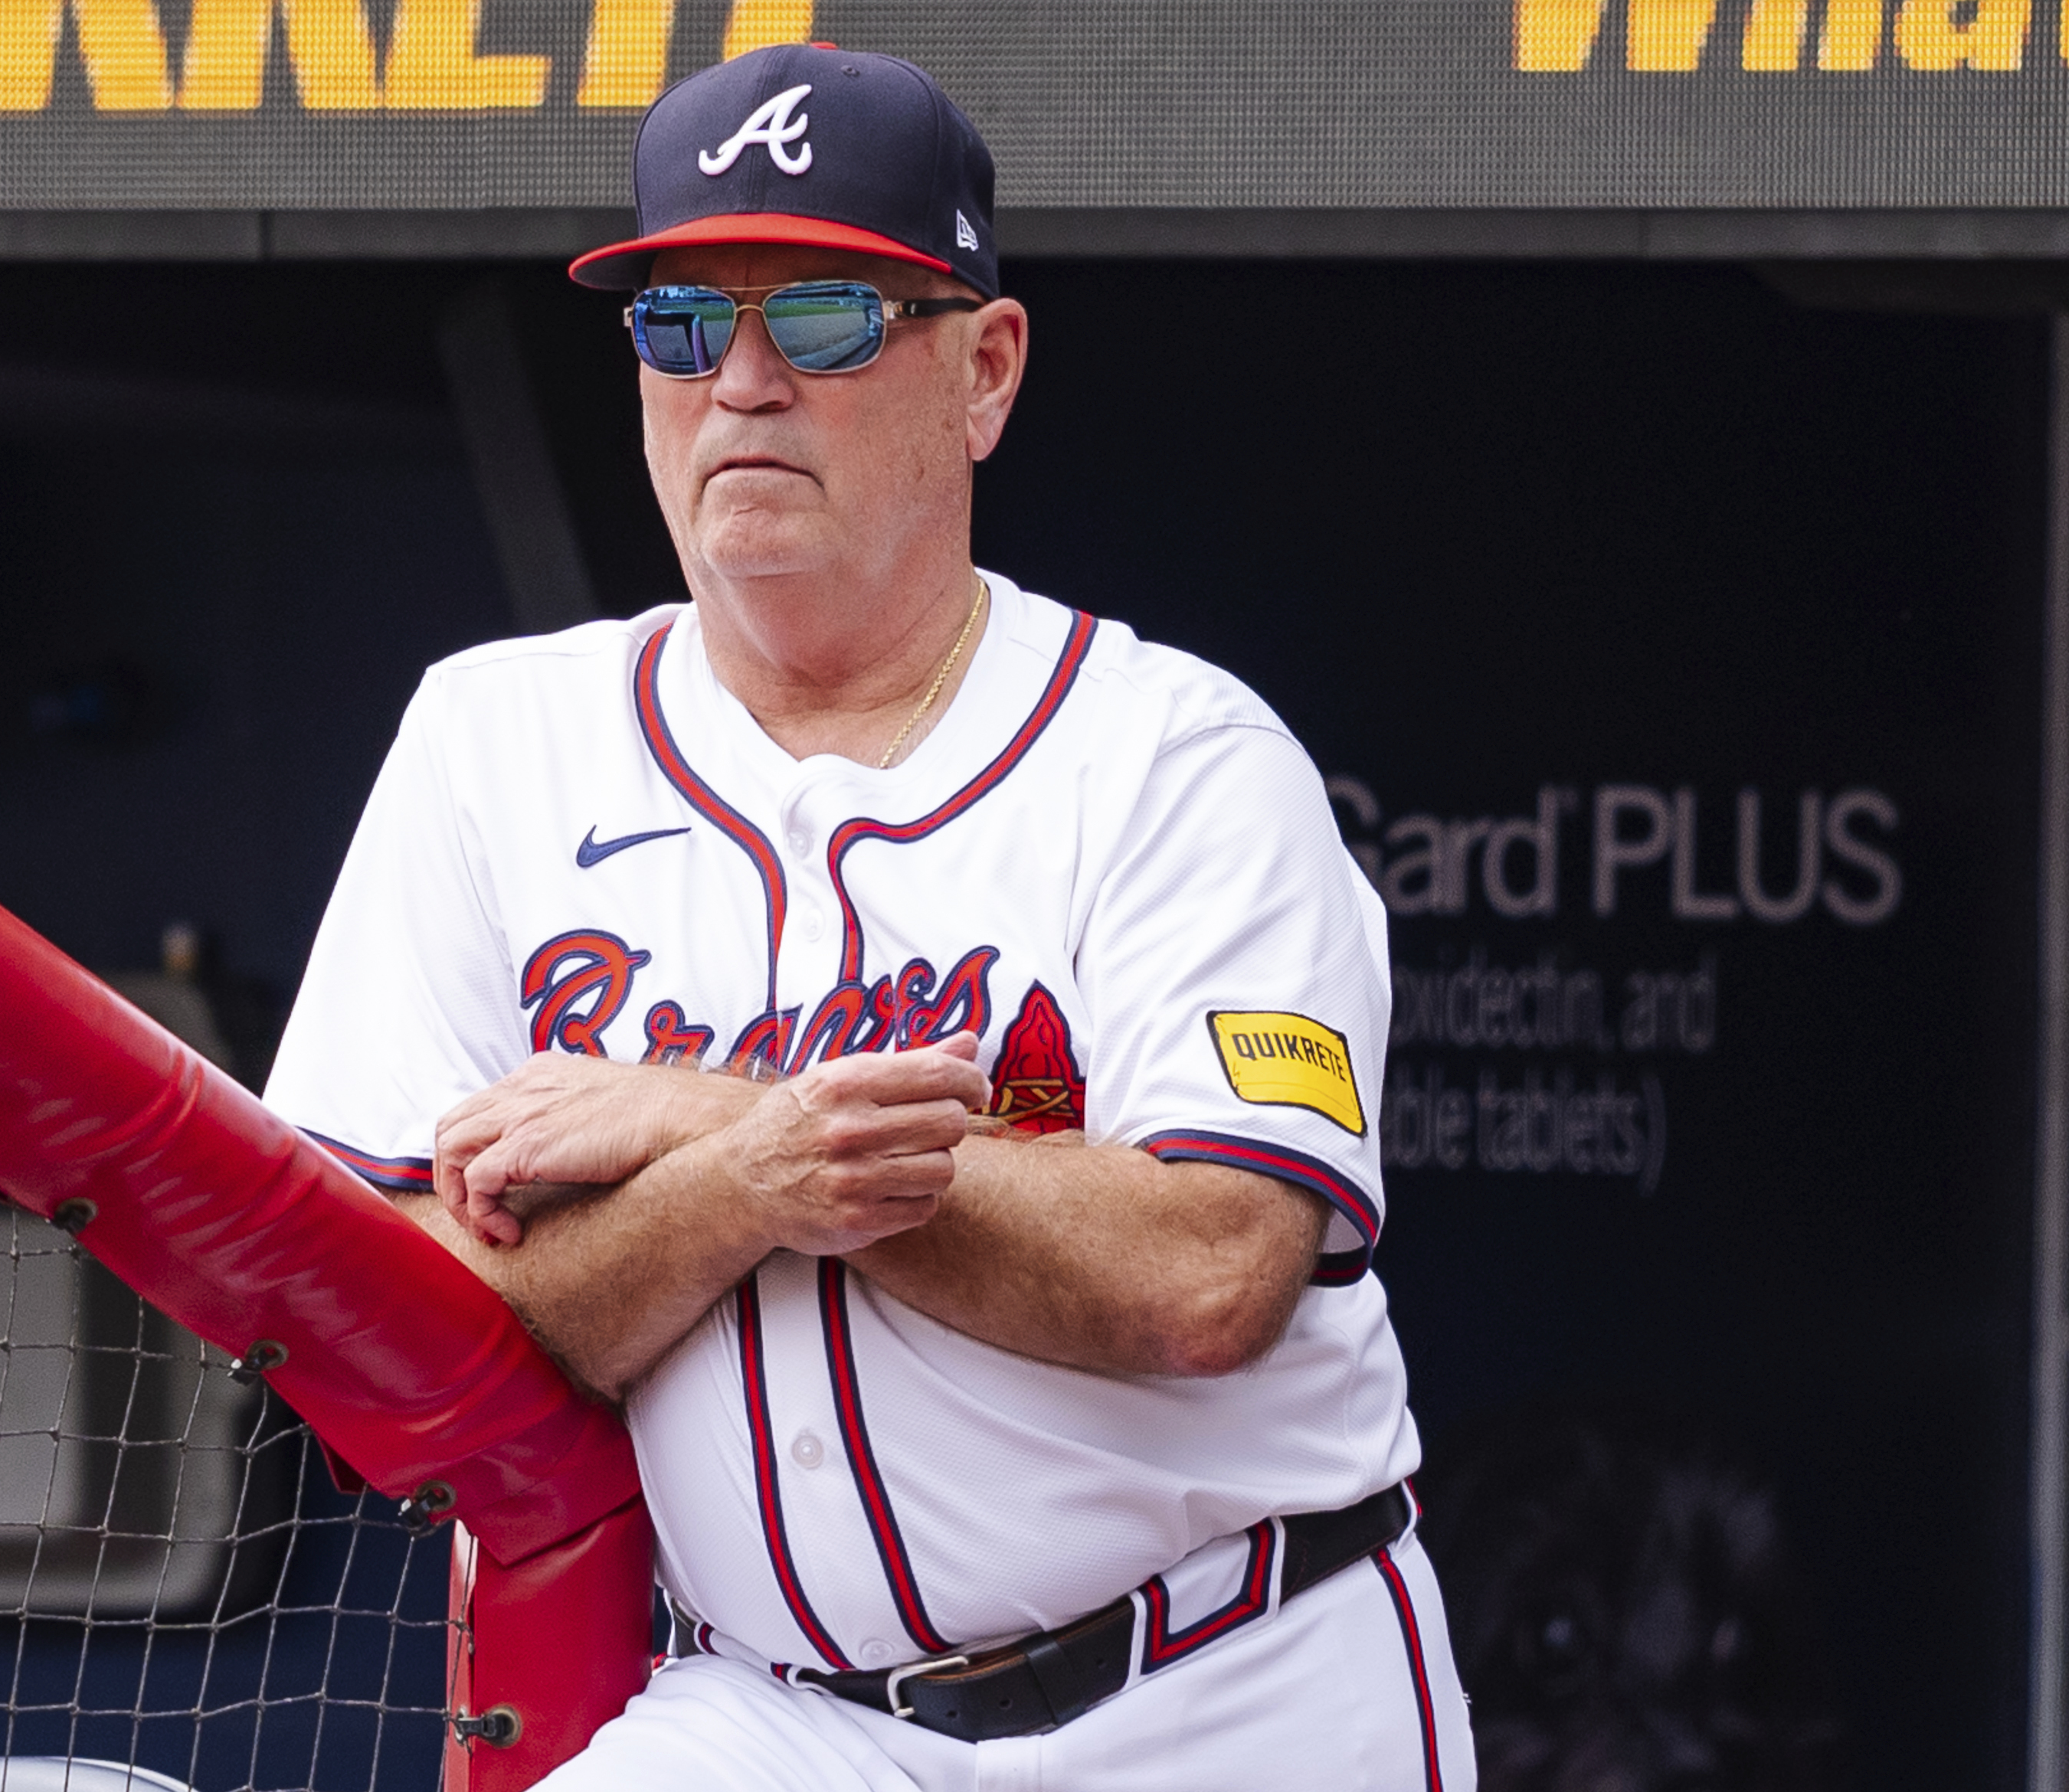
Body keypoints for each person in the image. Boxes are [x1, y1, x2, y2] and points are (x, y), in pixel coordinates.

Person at [264, 41, 1475, 1791]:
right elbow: (386, 1343)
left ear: (981, 372)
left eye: (820, 320)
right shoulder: (488, 741)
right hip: (775, 1719)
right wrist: (745, 1191)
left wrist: (716, 1123)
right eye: (681, 326)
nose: (740, 384)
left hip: (1223, 1681)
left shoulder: (1179, 757)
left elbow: (1208, 1273)